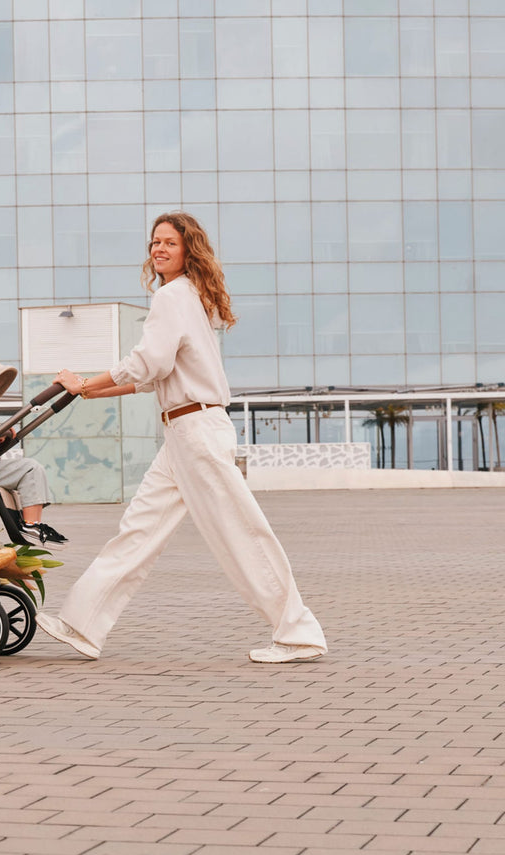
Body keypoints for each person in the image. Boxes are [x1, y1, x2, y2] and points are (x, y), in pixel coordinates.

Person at [35, 212, 328, 664]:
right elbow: (154, 376)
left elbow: (146, 363)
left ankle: (298, 632)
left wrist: (85, 384)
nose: (159, 250)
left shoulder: (173, 296)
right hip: (183, 434)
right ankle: (82, 624)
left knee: (242, 533)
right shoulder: (188, 296)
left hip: (197, 432)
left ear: (188, 250)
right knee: (138, 529)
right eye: (154, 242)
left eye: (169, 243)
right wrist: (88, 393)